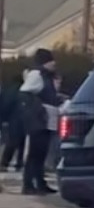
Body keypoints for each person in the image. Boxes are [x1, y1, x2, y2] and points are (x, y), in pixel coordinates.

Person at [17, 49, 63, 195]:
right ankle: (28, 184)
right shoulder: (37, 75)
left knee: (41, 153)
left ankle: (40, 183)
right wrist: (37, 109)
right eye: (50, 60)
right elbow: (25, 92)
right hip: (39, 119)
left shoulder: (47, 76)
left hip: (47, 118)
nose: (54, 63)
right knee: (35, 153)